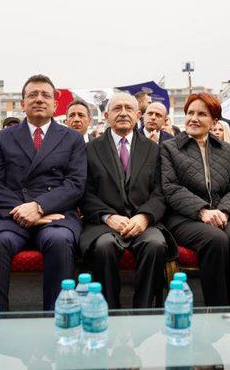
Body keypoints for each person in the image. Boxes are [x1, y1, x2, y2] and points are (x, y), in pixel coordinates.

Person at [0, 74, 86, 311]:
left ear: (55, 104)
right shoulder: (3, 138)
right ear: (22, 103)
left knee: (60, 241)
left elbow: (75, 184)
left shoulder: (73, 138)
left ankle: (58, 321)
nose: (39, 99)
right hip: (12, 215)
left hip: (56, 215)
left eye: (45, 95)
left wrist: (39, 207)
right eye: (32, 95)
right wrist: (23, 210)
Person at [81, 93, 175, 308]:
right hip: (103, 224)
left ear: (138, 115)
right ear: (106, 115)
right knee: (103, 246)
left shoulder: (154, 149)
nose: (123, 113)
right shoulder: (90, 149)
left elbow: (161, 191)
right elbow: (85, 192)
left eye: (129, 108)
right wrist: (108, 217)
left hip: (144, 221)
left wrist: (144, 217)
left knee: (155, 244)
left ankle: (143, 311)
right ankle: (108, 311)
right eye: (117, 108)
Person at [161, 92, 230, 306]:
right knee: (216, 239)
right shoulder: (169, 148)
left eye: (202, 114)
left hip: (223, 214)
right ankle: (217, 310)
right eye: (190, 113)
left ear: (214, 120)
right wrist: (203, 211)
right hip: (185, 217)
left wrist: (225, 211)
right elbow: (170, 188)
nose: (194, 118)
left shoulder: (227, 150)